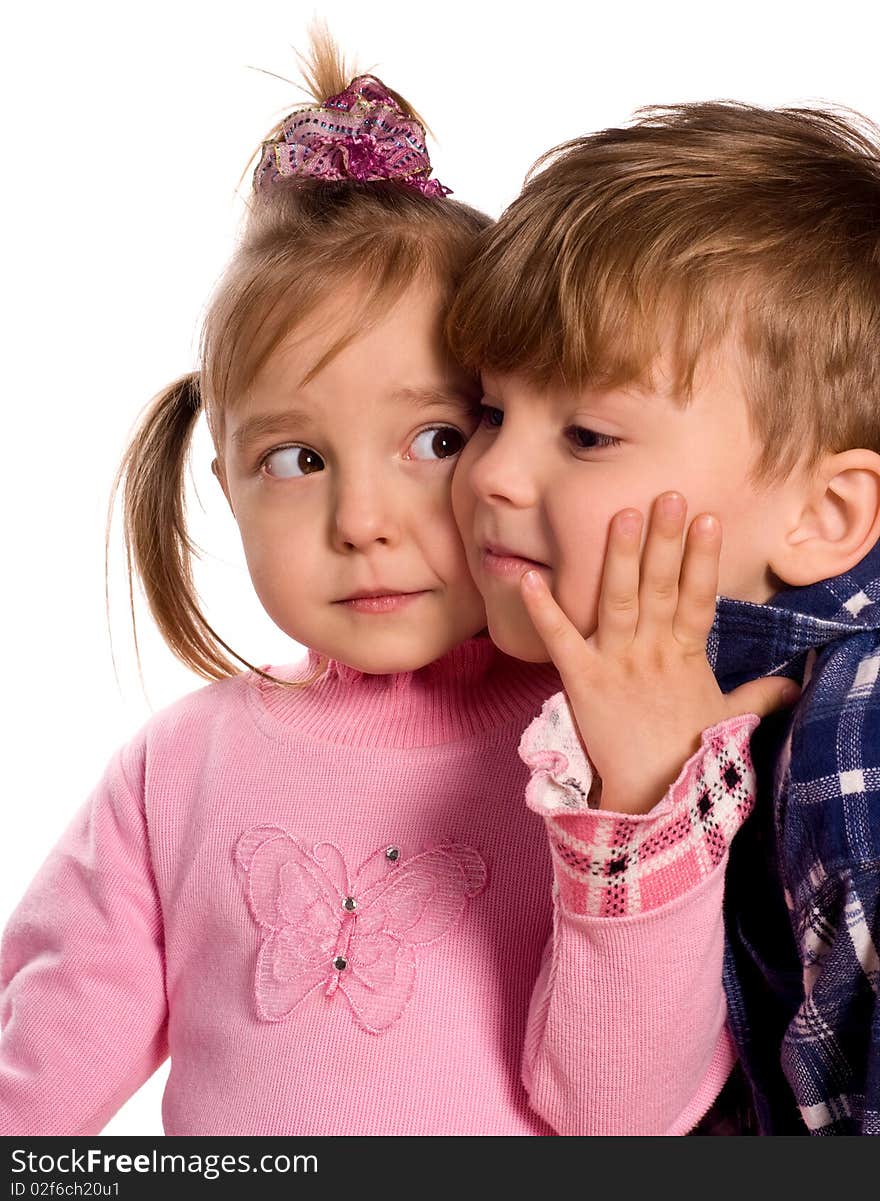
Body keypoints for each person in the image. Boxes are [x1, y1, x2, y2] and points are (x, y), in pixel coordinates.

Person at [0, 34, 792, 1136]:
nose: (363, 523)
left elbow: (626, 1117)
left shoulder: (609, 740)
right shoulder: (173, 772)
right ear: (225, 483)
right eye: (297, 460)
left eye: (433, 437)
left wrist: (642, 794)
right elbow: (29, 1094)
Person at [447, 99, 880, 1136]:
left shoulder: (851, 730)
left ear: (822, 517)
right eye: (489, 411)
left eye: (589, 434)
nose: (491, 472)